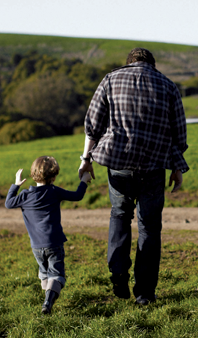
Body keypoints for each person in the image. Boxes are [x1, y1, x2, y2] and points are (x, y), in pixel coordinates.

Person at [79, 47, 189, 305]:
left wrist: (86, 160)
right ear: (153, 64)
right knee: (149, 227)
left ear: (128, 63)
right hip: (153, 166)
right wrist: (177, 167)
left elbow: (92, 125)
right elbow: (179, 134)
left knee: (119, 215)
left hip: (118, 163)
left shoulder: (110, 79)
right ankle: (145, 294)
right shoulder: (169, 86)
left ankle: (118, 271)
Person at [5, 156, 92, 314]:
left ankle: (47, 298)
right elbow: (77, 196)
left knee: (44, 273)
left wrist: (16, 185)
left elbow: (8, 203)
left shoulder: (25, 195)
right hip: (54, 243)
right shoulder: (54, 191)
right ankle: (48, 302)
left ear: (33, 175)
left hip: (36, 246)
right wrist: (84, 181)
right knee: (57, 275)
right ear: (53, 177)